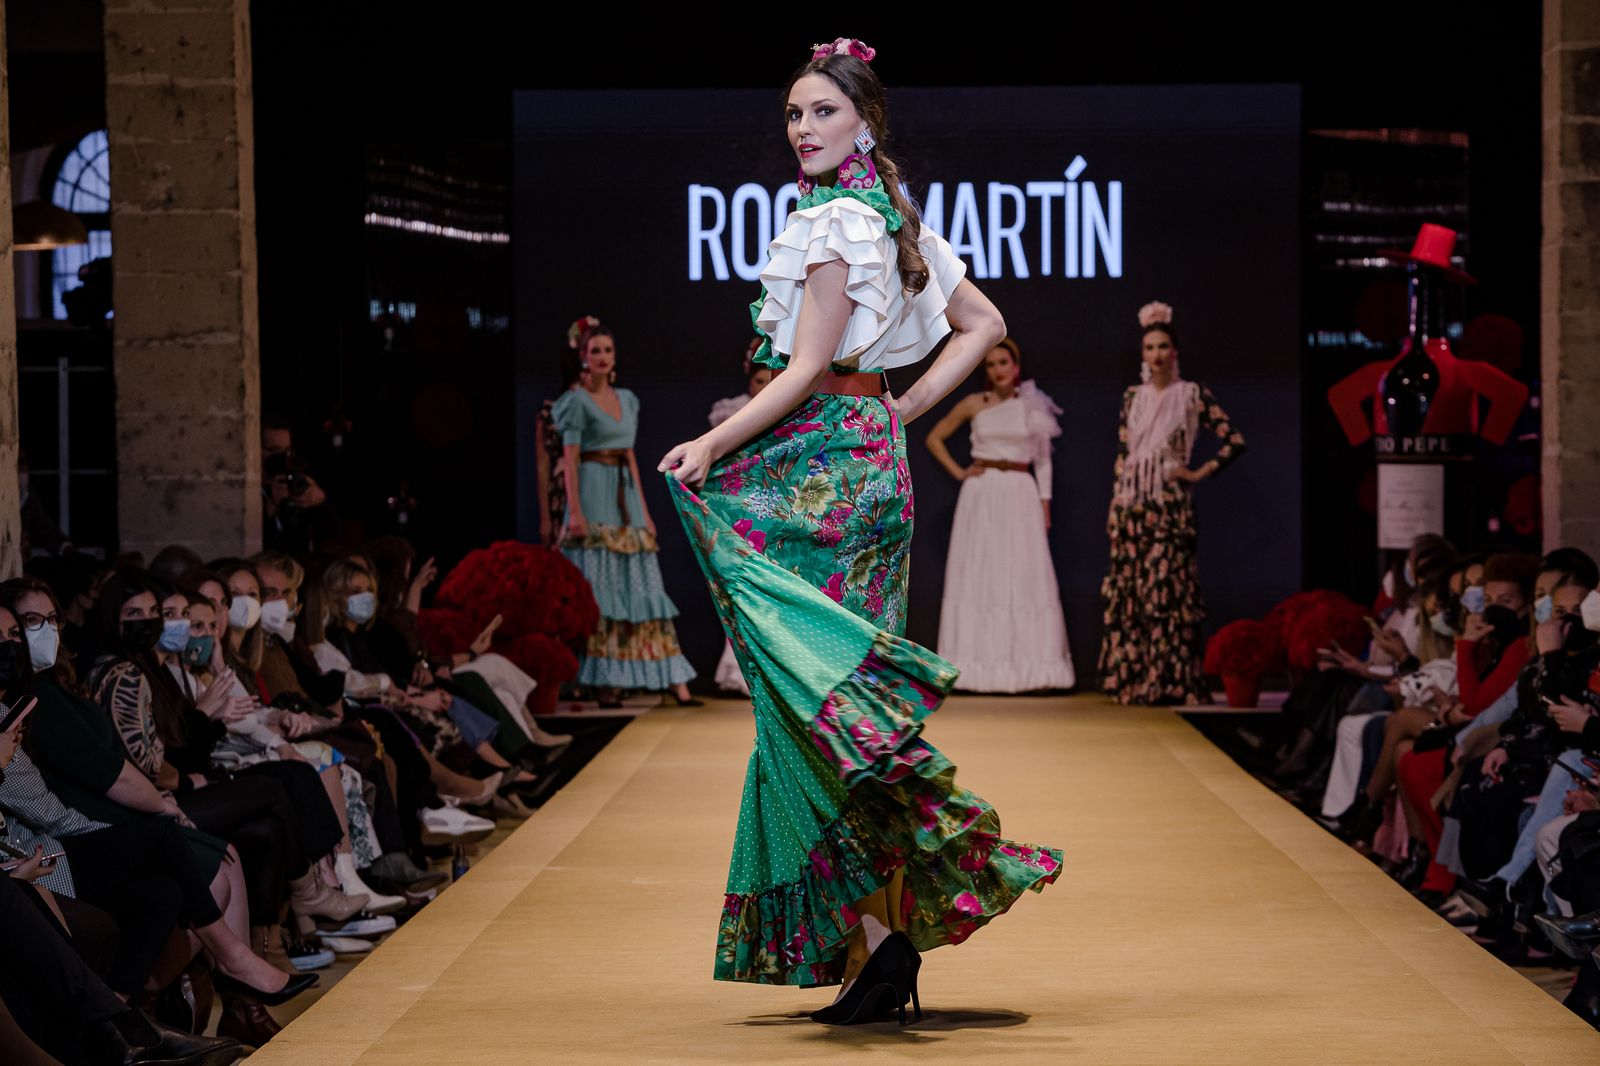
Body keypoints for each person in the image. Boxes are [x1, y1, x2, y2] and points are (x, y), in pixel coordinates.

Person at [655, 39, 1061, 1024]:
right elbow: (984, 320)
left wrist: (709, 442)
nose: (802, 128)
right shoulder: (887, 209)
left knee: (812, 705)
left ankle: (881, 951)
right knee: (836, 708)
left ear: (861, 123)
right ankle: (879, 951)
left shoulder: (838, 214)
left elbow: (799, 372)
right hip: (863, 459)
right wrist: (900, 412)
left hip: (829, 468)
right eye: (793, 114)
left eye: (821, 112)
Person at [1098, 301, 1246, 705]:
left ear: (1174, 351)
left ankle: (1171, 682)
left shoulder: (1192, 395)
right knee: (1132, 594)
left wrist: (1198, 473)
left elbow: (1234, 440)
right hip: (1132, 508)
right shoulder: (1134, 397)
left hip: (1169, 509)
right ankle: (1134, 681)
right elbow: (1124, 453)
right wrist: (1116, 505)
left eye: (1163, 346)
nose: (1157, 354)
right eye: (1150, 348)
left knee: (1167, 594)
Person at [552, 318, 699, 708]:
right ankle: (604, 681)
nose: (602, 357)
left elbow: (630, 455)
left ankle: (670, 677)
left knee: (642, 587)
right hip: (592, 491)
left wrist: (645, 513)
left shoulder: (628, 400)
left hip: (625, 497)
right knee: (601, 592)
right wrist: (575, 513)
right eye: (594, 351)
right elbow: (569, 459)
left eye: (607, 350)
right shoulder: (574, 403)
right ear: (582, 357)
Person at [924, 336, 1075, 692]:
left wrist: (1045, 503)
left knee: (1023, 575)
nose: (998, 370)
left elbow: (1043, 459)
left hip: (1020, 492)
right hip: (982, 492)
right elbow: (934, 437)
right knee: (982, 572)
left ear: (1016, 366)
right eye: (991, 365)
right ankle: (975, 668)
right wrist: (960, 472)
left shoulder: (1032, 404)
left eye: (1003, 363)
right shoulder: (975, 403)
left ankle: (1031, 670)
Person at [708, 340, 773, 695]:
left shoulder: (786, 409)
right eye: (759, 381)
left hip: (772, 507)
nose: (764, 388)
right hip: (739, 508)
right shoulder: (731, 412)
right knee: (741, 586)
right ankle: (737, 671)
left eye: (770, 381)